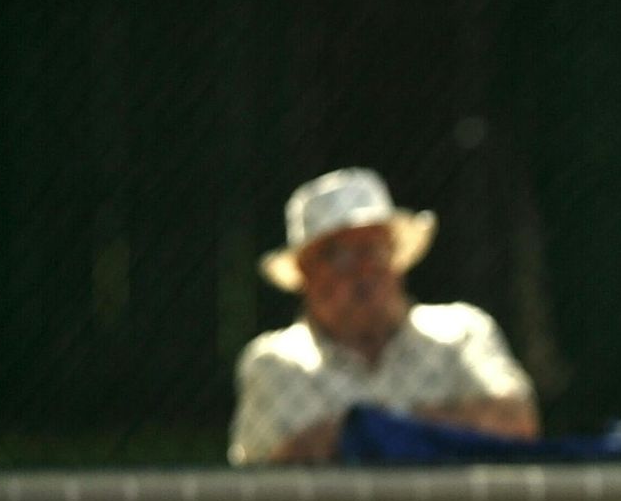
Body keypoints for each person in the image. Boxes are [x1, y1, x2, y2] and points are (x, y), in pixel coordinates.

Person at [229, 168, 539, 465]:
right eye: (339, 255)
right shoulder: (273, 363)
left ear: (396, 256)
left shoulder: (462, 332)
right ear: (305, 273)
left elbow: (516, 423)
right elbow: (262, 482)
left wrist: (365, 432)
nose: (363, 270)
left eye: (373, 249)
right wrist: (438, 434)